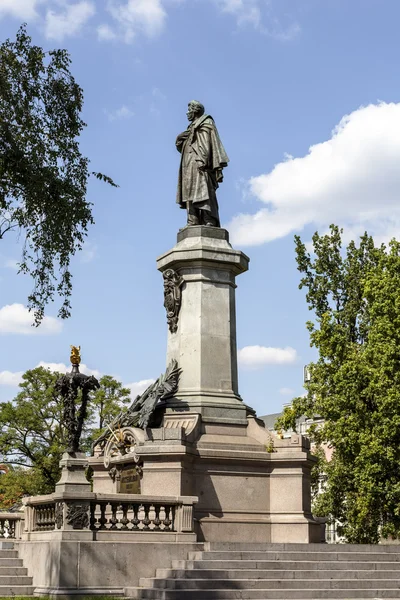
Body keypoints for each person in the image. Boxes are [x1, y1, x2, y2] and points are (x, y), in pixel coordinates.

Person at [176, 100, 229, 227]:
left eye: (189, 110)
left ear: (195, 111)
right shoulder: (190, 128)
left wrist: (204, 159)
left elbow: (208, 143)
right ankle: (192, 220)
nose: (187, 113)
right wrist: (179, 139)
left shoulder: (206, 123)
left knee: (204, 189)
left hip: (201, 162)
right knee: (189, 190)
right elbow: (184, 145)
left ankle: (208, 219)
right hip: (188, 164)